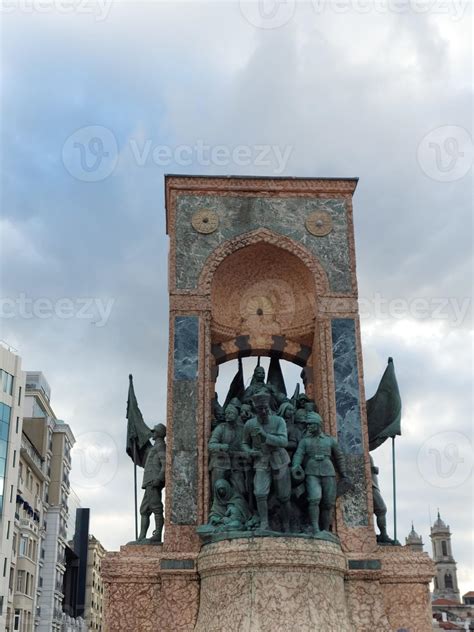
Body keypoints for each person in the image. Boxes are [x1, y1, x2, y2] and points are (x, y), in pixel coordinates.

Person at [292, 412, 348, 535]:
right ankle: (315, 528)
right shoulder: (305, 441)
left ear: (318, 425)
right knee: (314, 499)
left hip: (328, 471)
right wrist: (295, 466)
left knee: (328, 503)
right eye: (307, 425)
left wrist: (343, 473)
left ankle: (326, 530)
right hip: (312, 472)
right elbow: (298, 454)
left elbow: (339, 457)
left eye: (310, 424)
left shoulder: (330, 440)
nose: (308, 427)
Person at [243, 391, 291, 531]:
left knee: (284, 496)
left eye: (265, 408)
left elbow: (283, 441)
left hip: (279, 460)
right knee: (260, 493)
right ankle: (264, 523)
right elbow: (244, 443)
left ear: (268, 407)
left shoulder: (279, 421)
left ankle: (286, 524)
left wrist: (265, 436)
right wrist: (249, 452)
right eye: (260, 409)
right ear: (255, 409)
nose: (263, 411)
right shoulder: (250, 424)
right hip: (261, 461)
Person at [208, 404, 246, 495]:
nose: (228, 415)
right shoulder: (220, 428)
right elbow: (211, 445)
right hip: (220, 462)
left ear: (236, 415)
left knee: (241, 490)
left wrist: (245, 452)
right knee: (218, 489)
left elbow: (244, 445)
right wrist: (221, 447)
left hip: (236, 463)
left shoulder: (241, 430)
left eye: (231, 413)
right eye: (227, 413)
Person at [138, 423, 166, 542]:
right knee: (144, 510)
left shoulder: (160, 446)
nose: (152, 434)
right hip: (149, 482)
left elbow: (165, 464)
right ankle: (141, 537)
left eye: (154, 432)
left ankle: (158, 534)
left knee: (156, 508)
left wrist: (159, 478)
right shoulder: (155, 446)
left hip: (153, 482)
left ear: (159, 433)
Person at [370, 455, 391, 543]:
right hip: (369, 484)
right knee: (381, 509)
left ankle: (383, 534)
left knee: (381, 509)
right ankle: (383, 534)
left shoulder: (366, 453)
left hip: (373, 484)